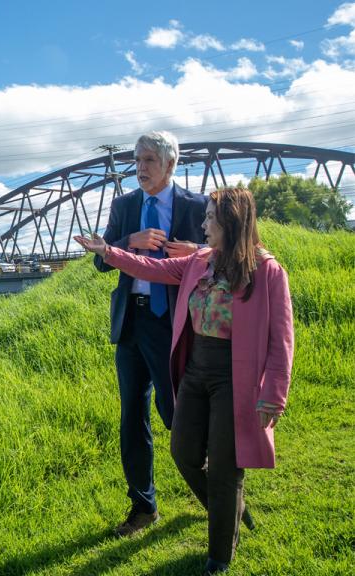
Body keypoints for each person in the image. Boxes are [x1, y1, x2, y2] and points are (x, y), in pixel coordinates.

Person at [75, 186, 294, 574]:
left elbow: (282, 340)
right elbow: (153, 269)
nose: (204, 224)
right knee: (184, 453)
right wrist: (109, 252)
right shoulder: (200, 261)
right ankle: (231, 509)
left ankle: (219, 557)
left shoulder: (267, 270)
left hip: (235, 377)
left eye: (210, 217)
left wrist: (272, 397)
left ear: (232, 221)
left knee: (226, 467)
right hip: (195, 371)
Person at [93, 130, 208, 537]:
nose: (140, 168)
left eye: (148, 161)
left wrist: (197, 252)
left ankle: (216, 494)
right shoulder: (124, 205)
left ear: (170, 164)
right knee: (132, 417)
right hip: (131, 322)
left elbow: (224, 258)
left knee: (177, 413)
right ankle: (143, 507)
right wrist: (129, 242)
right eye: (137, 160)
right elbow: (101, 262)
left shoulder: (198, 205)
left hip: (173, 323)